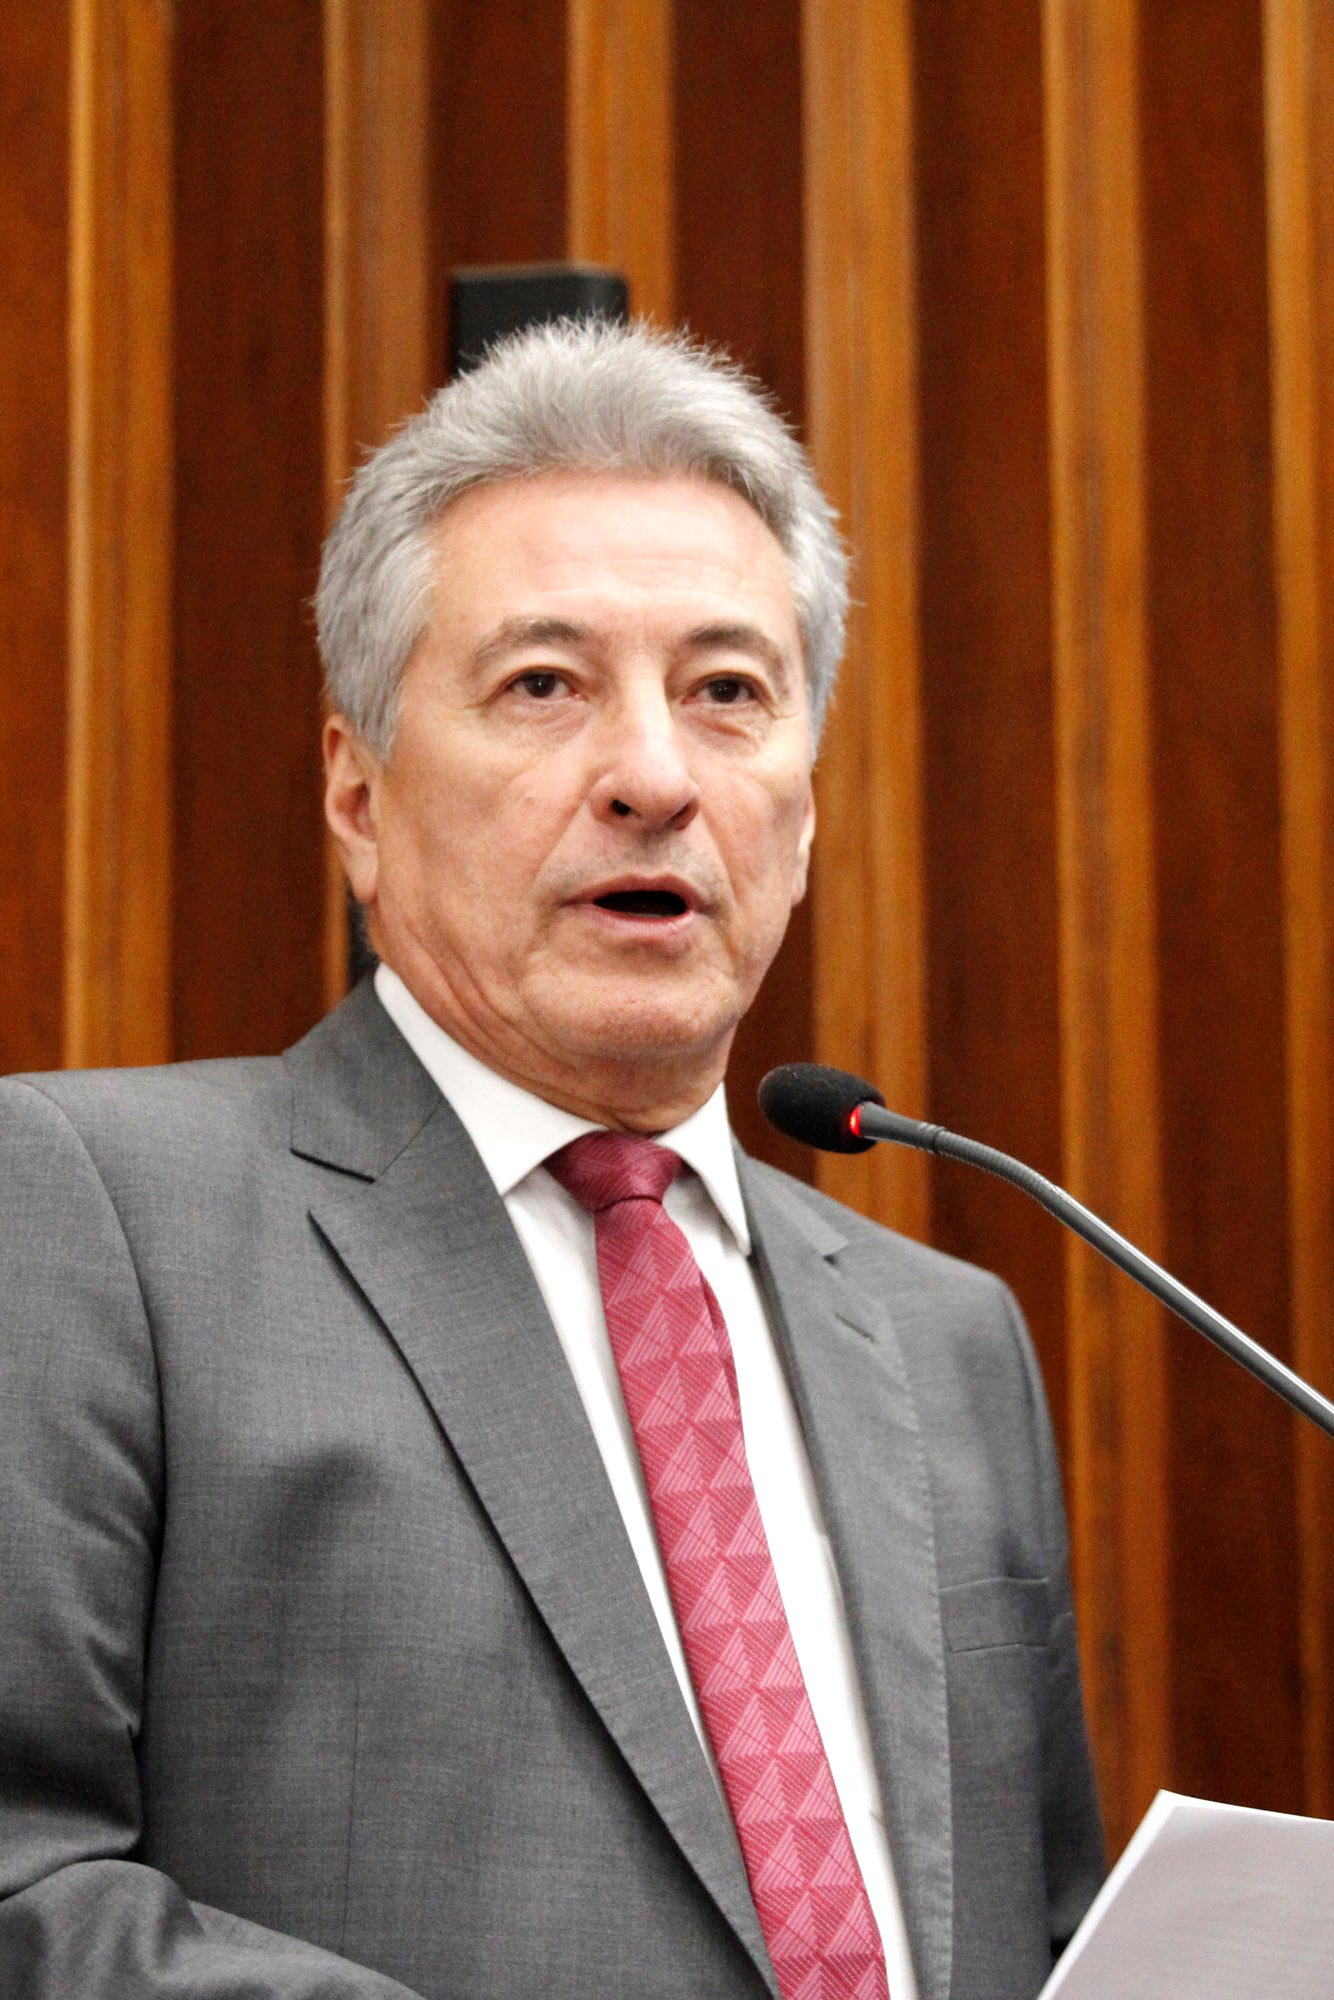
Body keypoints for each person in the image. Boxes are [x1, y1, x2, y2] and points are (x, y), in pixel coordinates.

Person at [0, 320, 1102, 2000]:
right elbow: (23, 1884)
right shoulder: (97, 1211)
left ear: (804, 810)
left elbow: (1035, 1932)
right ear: (357, 794)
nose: (654, 777)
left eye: (727, 693)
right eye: (543, 687)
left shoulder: (947, 1334)